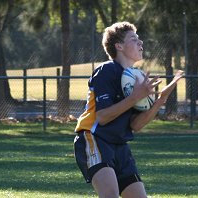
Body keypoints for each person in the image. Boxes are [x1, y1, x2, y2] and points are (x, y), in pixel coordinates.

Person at [74, 21, 184, 198]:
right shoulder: (107, 70)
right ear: (119, 46)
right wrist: (135, 96)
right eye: (134, 39)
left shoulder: (136, 77)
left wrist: (159, 101)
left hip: (119, 144)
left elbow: (136, 125)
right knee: (110, 195)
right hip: (94, 137)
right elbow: (102, 117)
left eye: (139, 39)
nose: (140, 42)